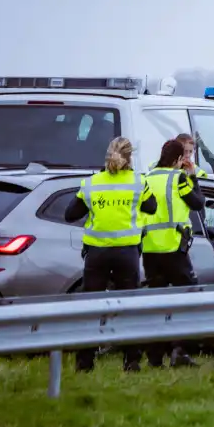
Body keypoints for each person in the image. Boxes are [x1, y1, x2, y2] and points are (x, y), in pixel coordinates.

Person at [64, 137, 159, 372]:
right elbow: (152, 207)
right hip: (126, 253)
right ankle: (131, 360)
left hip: (97, 254)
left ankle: (84, 362)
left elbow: (70, 214)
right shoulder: (138, 182)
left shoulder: (92, 183)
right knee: (128, 307)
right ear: (129, 158)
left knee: (90, 307)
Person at [142, 139, 207, 368]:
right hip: (173, 249)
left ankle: (155, 358)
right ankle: (180, 351)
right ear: (179, 159)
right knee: (190, 299)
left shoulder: (147, 177)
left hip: (150, 250)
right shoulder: (177, 178)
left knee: (156, 305)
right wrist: (193, 177)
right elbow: (198, 203)